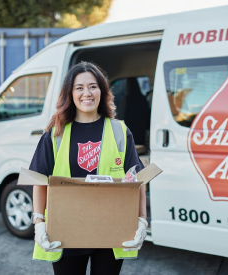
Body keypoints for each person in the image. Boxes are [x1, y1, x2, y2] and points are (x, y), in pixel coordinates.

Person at [30, 61, 148, 275]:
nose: (87, 93)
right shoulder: (55, 134)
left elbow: (137, 179)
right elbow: (39, 180)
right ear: (70, 93)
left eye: (93, 86)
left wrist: (142, 220)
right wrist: (38, 222)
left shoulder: (119, 131)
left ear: (102, 91)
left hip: (111, 230)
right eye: (79, 87)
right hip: (66, 231)